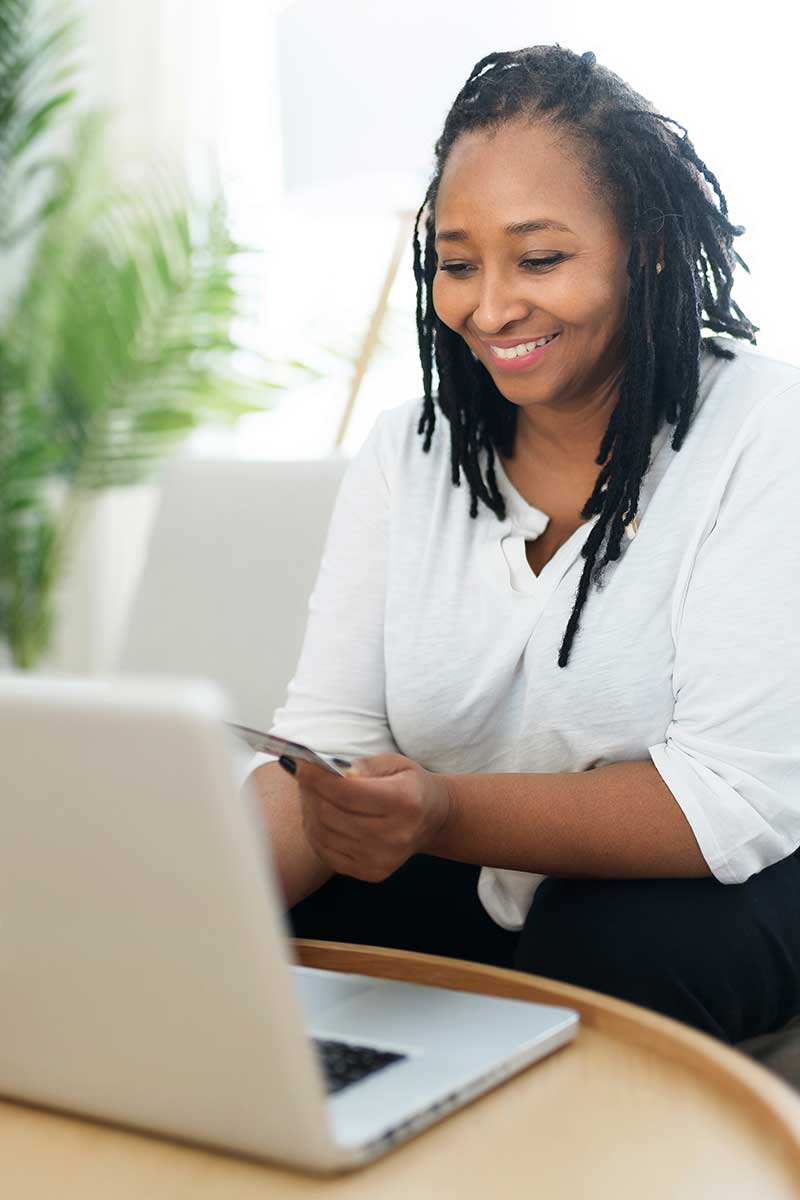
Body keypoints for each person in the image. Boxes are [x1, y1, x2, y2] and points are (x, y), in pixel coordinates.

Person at [245, 45, 800, 1047]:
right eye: (457, 265)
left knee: (612, 944)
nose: (489, 308)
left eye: (538, 259)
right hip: (484, 865)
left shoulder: (765, 427)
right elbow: (325, 742)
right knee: (286, 919)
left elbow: (726, 801)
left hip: (741, 872)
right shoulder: (405, 452)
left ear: (649, 249)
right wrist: (146, 910)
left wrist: (441, 811)